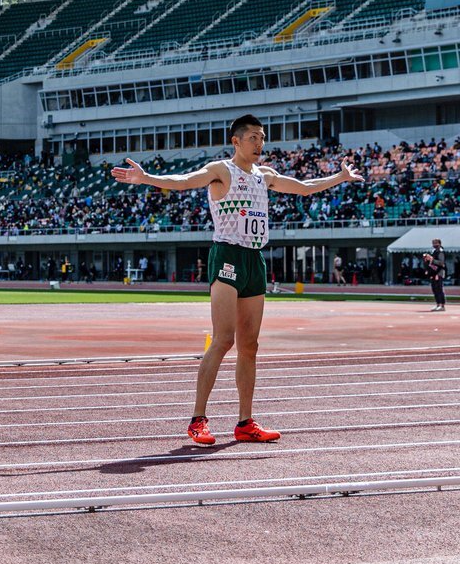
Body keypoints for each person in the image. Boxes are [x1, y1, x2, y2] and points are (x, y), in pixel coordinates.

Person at [113, 113, 363, 446]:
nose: (260, 144)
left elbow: (303, 189)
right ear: (237, 141)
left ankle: (245, 422)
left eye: (262, 137)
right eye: (253, 138)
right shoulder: (221, 170)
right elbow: (185, 180)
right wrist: (146, 179)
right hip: (227, 255)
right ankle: (198, 419)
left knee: (250, 346)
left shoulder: (265, 176)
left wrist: (340, 178)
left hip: (254, 259)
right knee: (223, 339)